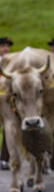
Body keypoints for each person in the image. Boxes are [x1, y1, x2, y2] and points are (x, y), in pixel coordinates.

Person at [0, 37, 13, 170]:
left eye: (7, 46)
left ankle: (4, 158)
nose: (6, 49)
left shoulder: (12, 63)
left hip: (6, 100)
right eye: (3, 46)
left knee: (8, 128)